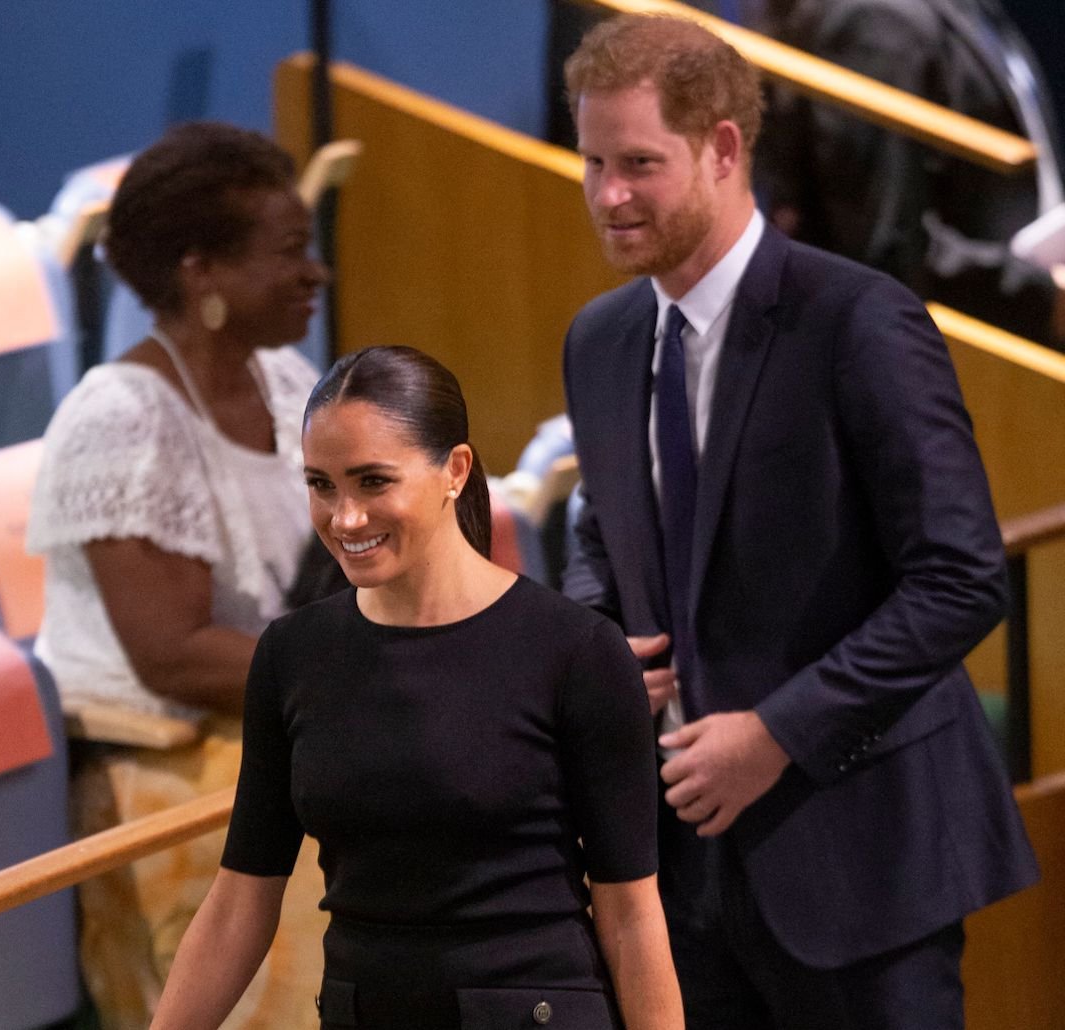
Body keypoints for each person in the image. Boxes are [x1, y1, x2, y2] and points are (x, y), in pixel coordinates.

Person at [561, 13, 1038, 1029]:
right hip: (681, 881)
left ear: (724, 146)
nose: (608, 194)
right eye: (592, 160)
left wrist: (779, 733)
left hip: (863, 864)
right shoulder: (599, 340)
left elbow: (960, 577)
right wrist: (604, 638)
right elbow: (603, 532)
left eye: (639, 162)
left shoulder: (859, 320)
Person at [151, 345, 684, 1030]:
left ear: (454, 471)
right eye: (321, 485)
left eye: (373, 482)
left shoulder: (575, 653)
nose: (344, 518)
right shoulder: (293, 655)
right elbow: (240, 900)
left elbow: (631, 917)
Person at [26, 121, 337, 1029]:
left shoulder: (285, 379)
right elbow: (174, 657)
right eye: (288, 253)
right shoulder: (121, 420)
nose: (315, 273)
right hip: (159, 767)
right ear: (201, 273)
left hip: (270, 725)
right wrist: (360, 680)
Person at [754, 0, 1065, 348]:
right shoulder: (875, 20)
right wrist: (1041, 294)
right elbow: (888, 246)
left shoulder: (976, 11)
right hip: (947, 362)